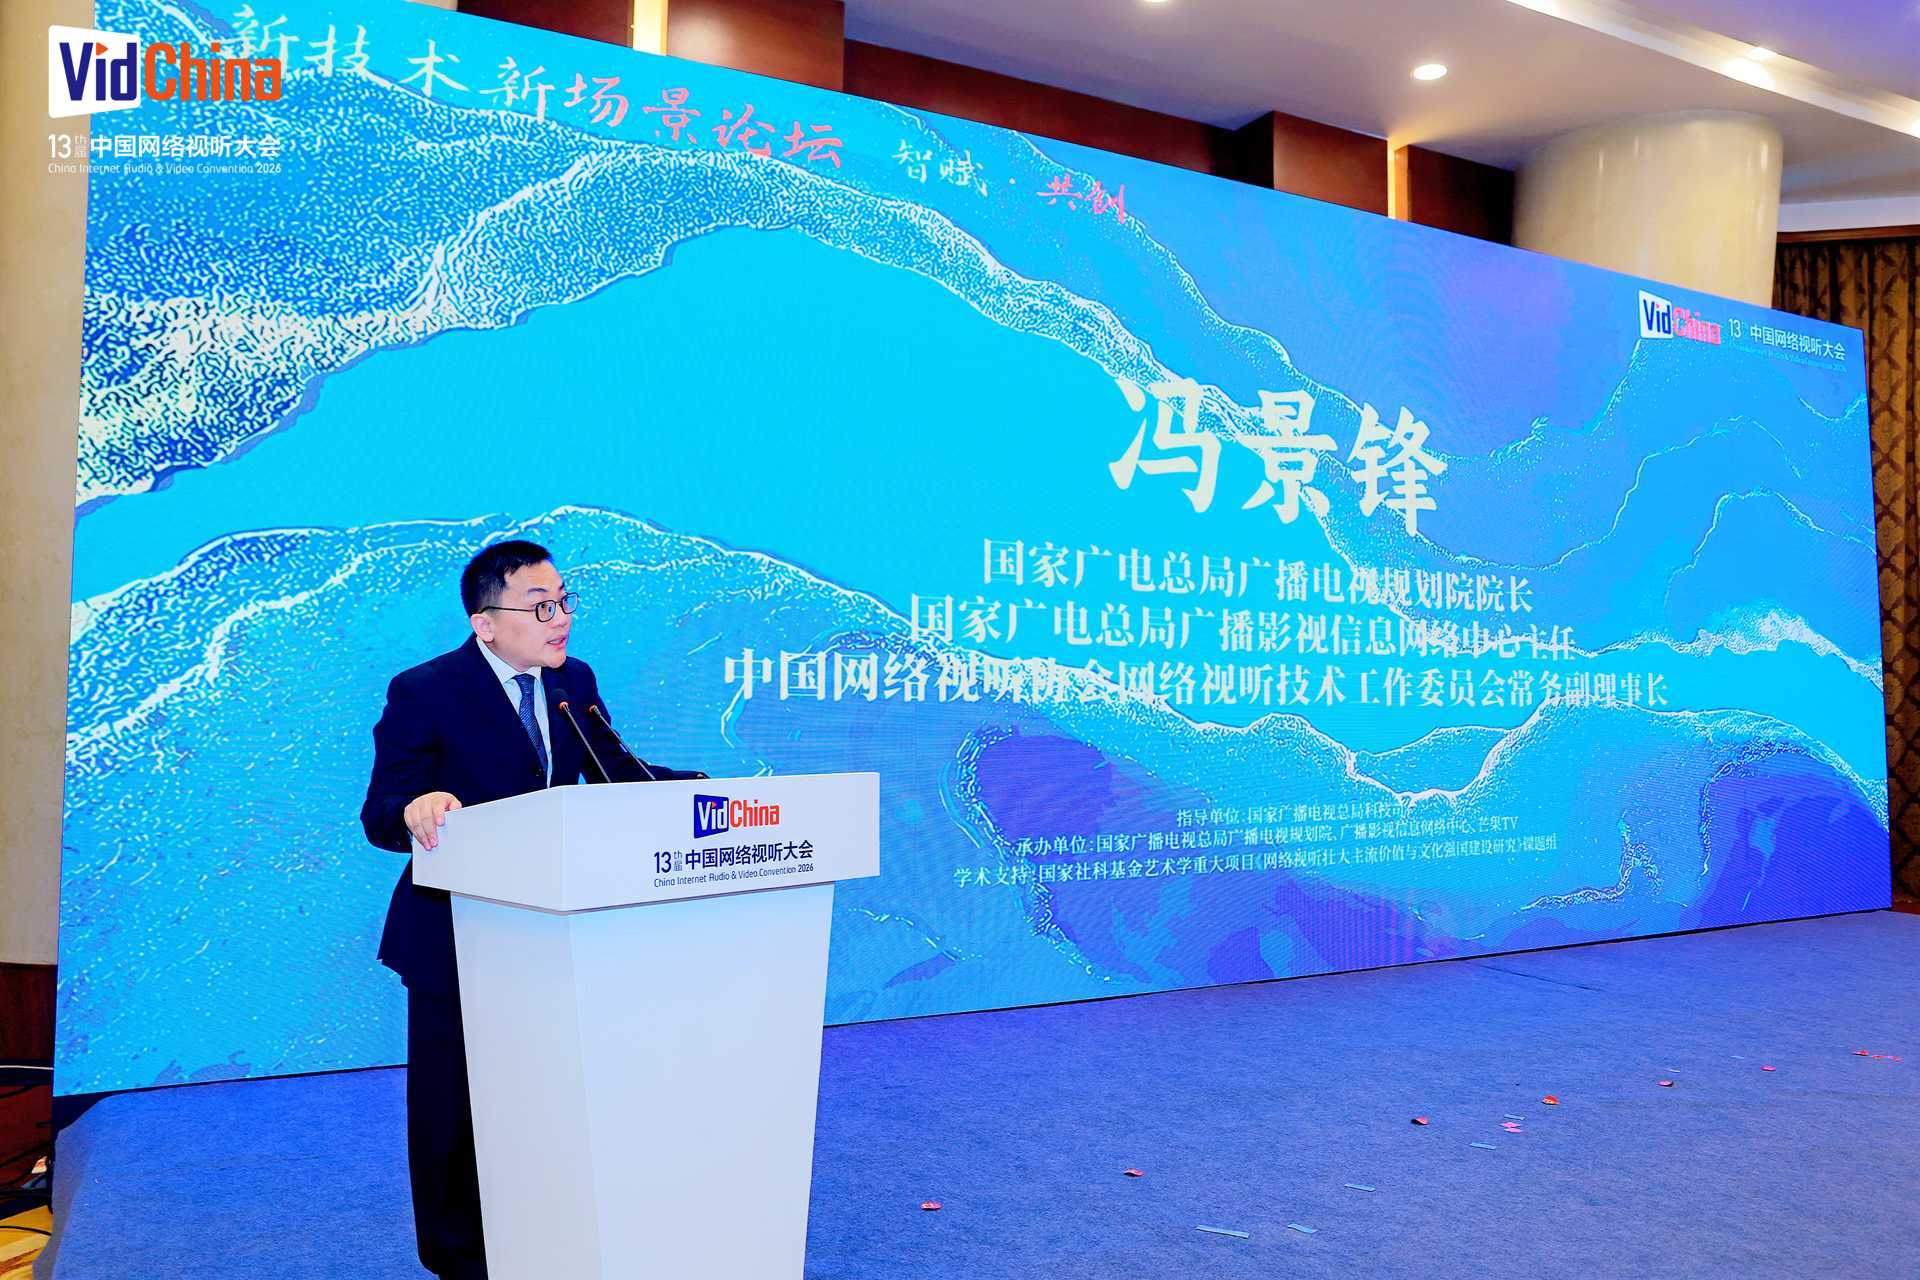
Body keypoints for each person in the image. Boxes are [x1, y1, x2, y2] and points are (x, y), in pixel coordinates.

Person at [360, 539, 704, 1280]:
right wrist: (417, 807)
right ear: (485, 623)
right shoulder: (426, 690)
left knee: (543, 1095)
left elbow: (612, 772)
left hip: (550, 928)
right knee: (453, 1106)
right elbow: (381, 811)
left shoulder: (572, 680)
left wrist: (697, 791)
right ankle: (458, 1259)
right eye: (540, 607)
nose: (561, 620)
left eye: (564, 602)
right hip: (455, 931)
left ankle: (543, 1234)